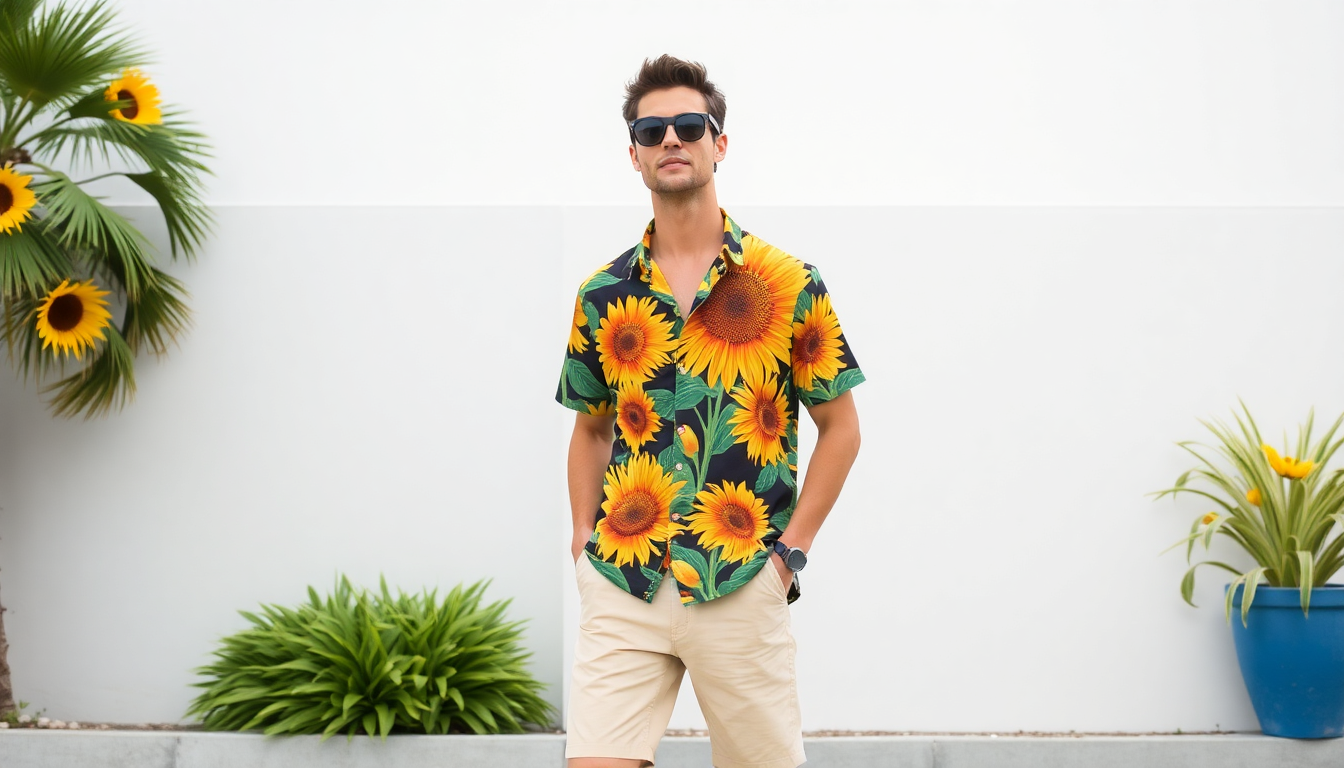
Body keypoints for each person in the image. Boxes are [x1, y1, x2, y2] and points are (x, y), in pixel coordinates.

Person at [555, 54, 864, 768]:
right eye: (652, 129)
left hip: (741, 580)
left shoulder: (787, 283)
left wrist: (788, 558)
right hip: (625, 579)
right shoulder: (602, 294)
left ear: (718, 143)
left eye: (689, 125)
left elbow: (841, 429)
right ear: (632, 153)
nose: (672, 139)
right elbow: (590, 428)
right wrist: (582, 545)